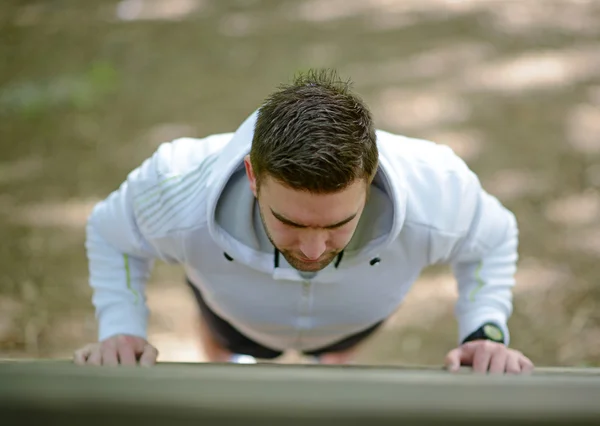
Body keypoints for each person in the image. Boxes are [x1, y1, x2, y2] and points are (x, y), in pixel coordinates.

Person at [73, 68, 534, 374]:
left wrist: (484, 330)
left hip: (355, 320)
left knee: (333, 354)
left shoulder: (442, 187)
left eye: (339, 223)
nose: (312, 252)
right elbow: (112, 233)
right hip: (233, 316)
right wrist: (122, 327)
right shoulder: (172, 185)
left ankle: (330, 360)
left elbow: (492, 238)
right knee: (225, 345)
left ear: (369, 178)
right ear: (253, 176)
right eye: (290, 220)